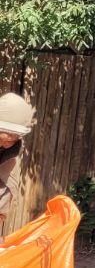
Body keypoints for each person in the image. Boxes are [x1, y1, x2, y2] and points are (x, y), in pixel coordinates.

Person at [0, 92, 35, 221]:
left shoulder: (11, 154)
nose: (11, 139)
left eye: (16, 136)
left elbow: (6, 185)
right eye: (8, 134)